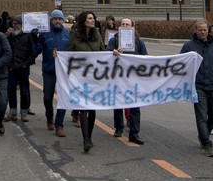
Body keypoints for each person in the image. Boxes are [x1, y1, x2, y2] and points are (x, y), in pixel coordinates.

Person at [180, 19, 213, 157]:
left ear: (208, 30)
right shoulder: (188, 46)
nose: (203, 32)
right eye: (200, 30)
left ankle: (204, 135)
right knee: (201, 116)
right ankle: (206, 143)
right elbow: (180, 65)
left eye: (205, 30)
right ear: (195, 30)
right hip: (198, 86)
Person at [107, 18, 146, 144]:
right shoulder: (114, 40)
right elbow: (106, 54)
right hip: (118, 77)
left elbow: (145, 58)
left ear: (132, 27)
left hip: (133, 78)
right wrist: (113, 53)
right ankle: (119, 128)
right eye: (123, 24)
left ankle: (134, 133)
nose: (125, 26)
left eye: (127, 24)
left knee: (135, 105)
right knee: (118, 103)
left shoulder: (138, 42)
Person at [69, 11, 103, 152]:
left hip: (94, 77)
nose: (93, 20)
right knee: (83, 107)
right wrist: (58, 55)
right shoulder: (75, 36)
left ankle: (89, 135)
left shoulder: (97, 35)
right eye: (90, 18)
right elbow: (69, 53)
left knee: (92, 109)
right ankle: (86, 139)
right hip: (80, 77)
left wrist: (113, 54)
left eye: (93, 18)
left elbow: (103, 52)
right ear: (83, 21)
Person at [33, 10, 70, 137]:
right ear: (51, 20)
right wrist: (33, 37)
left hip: (64, 72)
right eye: (55, 19)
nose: (58, 21)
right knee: (48, 97)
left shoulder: (68, 33)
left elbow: (73, 52)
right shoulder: (44, 33)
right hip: (49, 70)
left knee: (62, 99)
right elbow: (37, 49)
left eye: (60, 19)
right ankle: (49, 116)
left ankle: (59, 125)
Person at [5, 16, 35, 122]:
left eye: (16, 23)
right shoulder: (10, 35)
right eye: (13, 23)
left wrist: (26, 64)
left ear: (21, 25)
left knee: (24, 90)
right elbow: (4, 47)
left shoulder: (28, 35)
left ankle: (24, 112)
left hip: (23, 67)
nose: (14, 26)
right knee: (11, 89)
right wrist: (7, 35)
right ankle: (12, 112)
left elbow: (32, 52)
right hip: (12, 67)